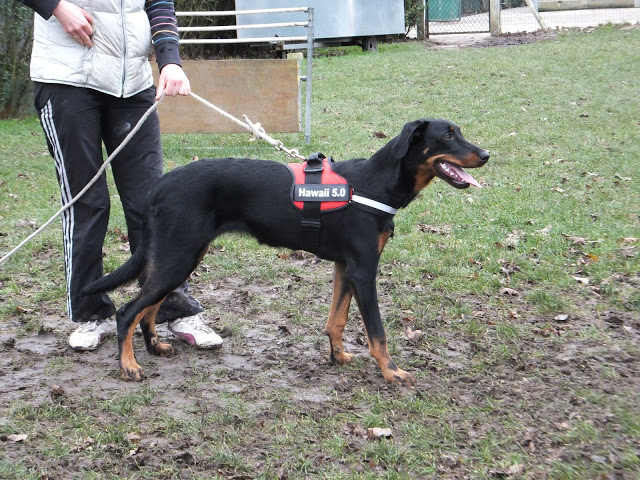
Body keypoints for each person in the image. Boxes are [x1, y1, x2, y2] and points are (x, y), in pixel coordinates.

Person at [20, 0, 223, 351]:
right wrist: (55, 7)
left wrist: (170, 59)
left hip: (133, 86)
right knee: (87, 204)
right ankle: (89, 315)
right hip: (66, 82)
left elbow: (158, 4)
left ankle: (172, 307)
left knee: (153, 204)